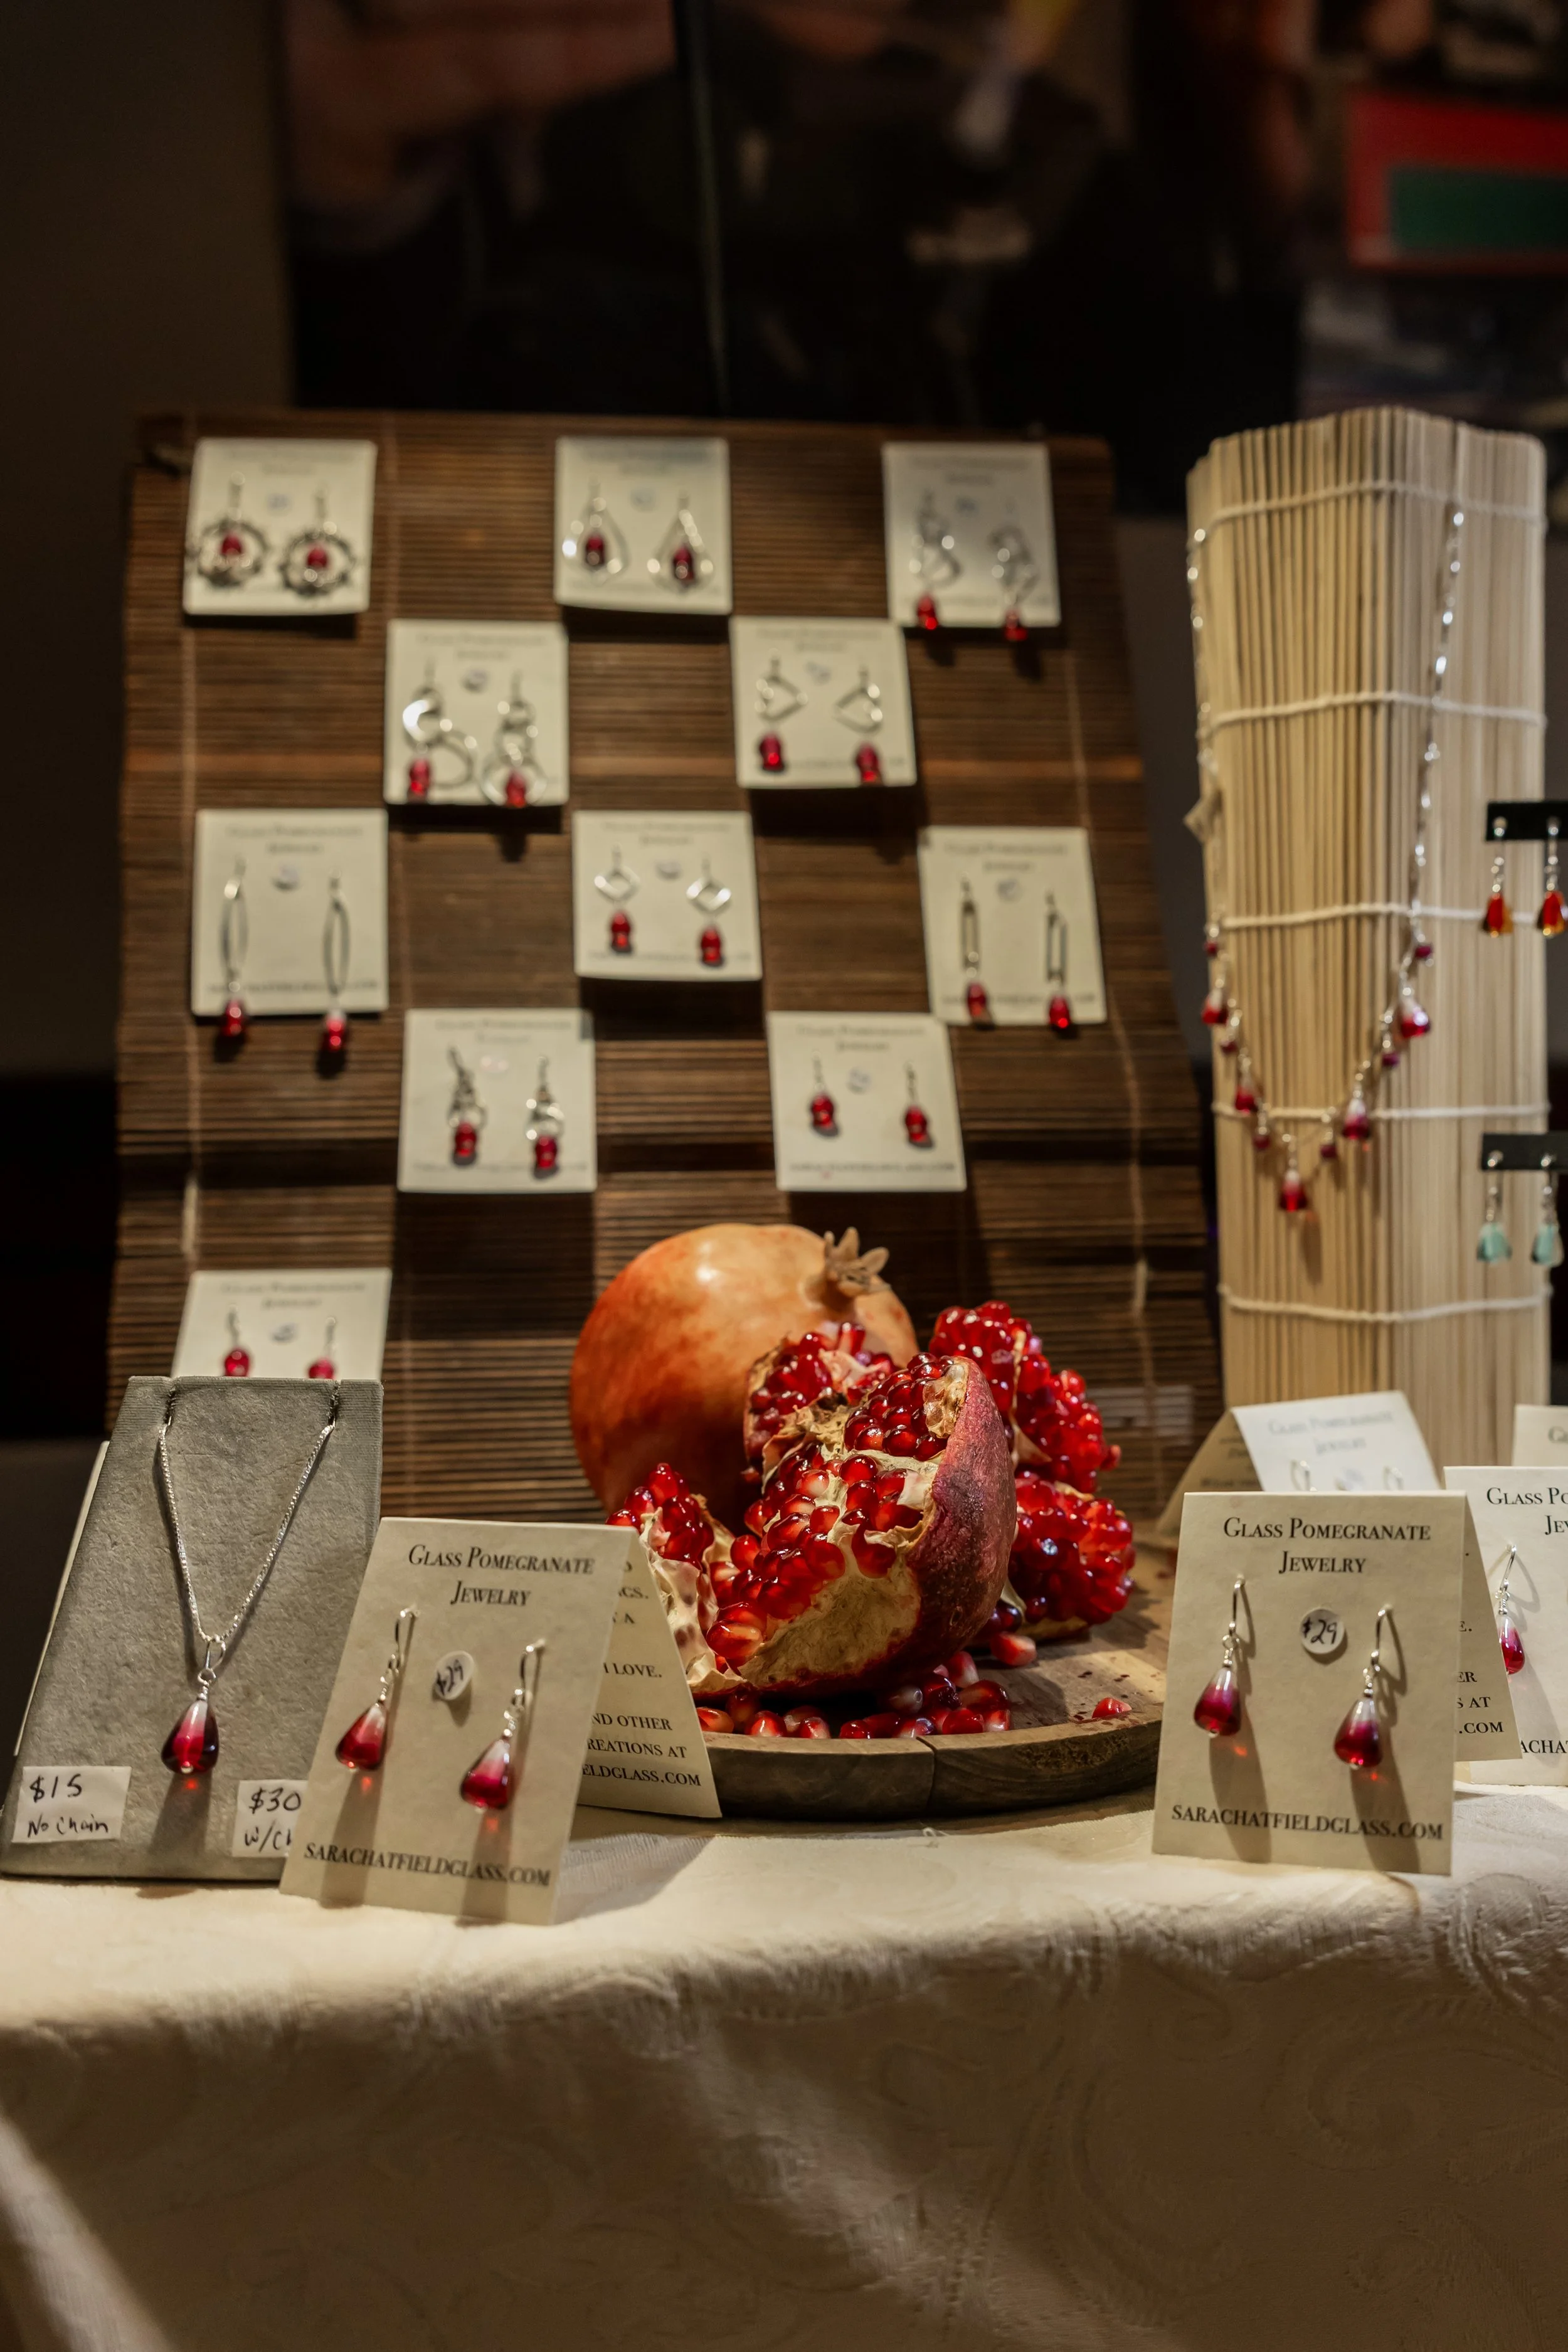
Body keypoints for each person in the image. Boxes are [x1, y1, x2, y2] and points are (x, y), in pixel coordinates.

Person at [283, 0, 1333, 504]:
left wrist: (1263, 140)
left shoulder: (1066, 201)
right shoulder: (531, 102)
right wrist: (353, 198)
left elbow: (1198, 500)